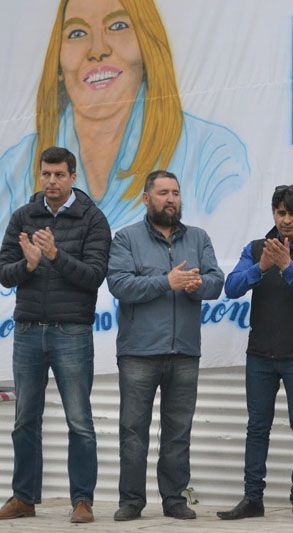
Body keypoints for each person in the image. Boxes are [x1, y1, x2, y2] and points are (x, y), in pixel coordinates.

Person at [0, 0, 249, 230]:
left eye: (117, 26)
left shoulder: (214, 155)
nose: (98, 50)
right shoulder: (14, 170)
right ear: (58, 62)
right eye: (77, 33)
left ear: (147, 46)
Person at [0, 146, 111, 523]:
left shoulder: (93, 218)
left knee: (79, 420)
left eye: (59, 175)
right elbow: (4, 272)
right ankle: (23, 498)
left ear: (73, 177)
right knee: (24, 420)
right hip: (28, 330)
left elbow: (94, 275)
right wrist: (28, 265)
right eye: (45, 174)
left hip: (72, 332)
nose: (51, 181)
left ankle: (82, 501)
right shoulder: (23, 216)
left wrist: (54, 257)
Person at [106, 170, 224, 521]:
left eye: (175, 192)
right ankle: (131, 501)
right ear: (146, 199)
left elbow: (216, 281)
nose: (171, 199)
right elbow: (119, 284)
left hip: (184, 351)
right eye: (162, 193)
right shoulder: (126, 238)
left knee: (178, 431)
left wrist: (198, 285)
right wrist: (165, 282)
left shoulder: (199, 238)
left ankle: (174, 499)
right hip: (138, 352)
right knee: (133, 431)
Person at [217, 184, 293, 524]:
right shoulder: (256, 248)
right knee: (257, 427)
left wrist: (287, 266)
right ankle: (253, 498)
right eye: (281, 213)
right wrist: (261, 267)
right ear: (273, 213)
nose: (286, 220)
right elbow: (231, 287)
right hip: (260, 356)